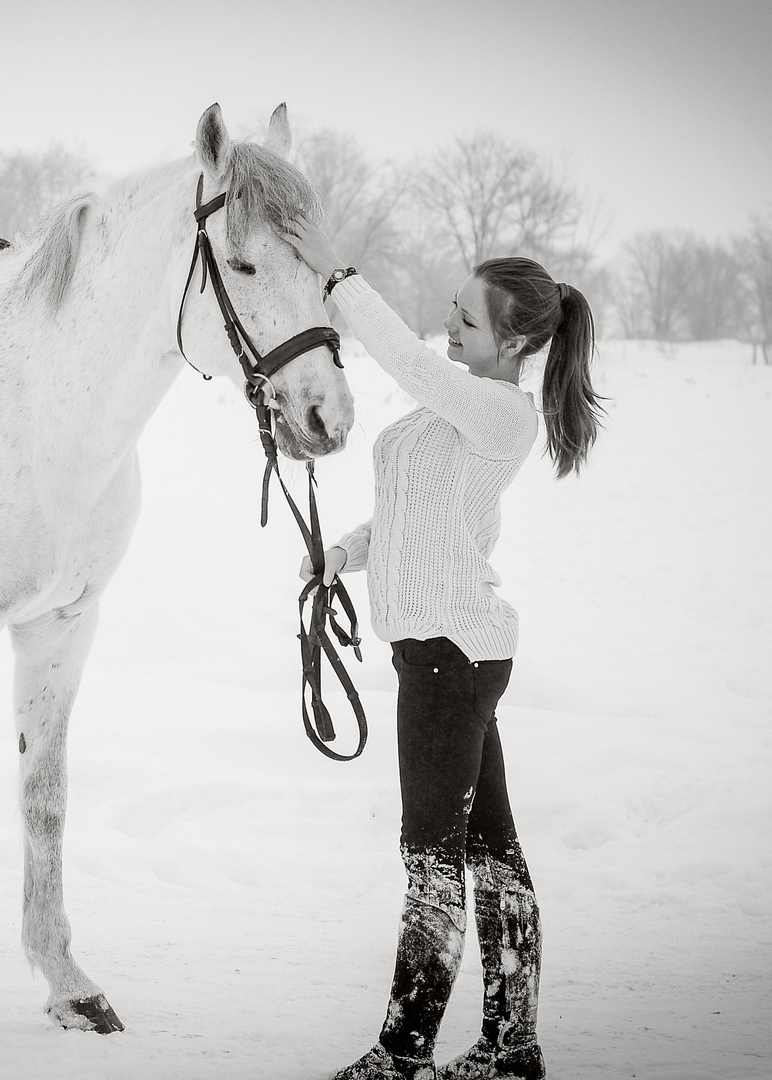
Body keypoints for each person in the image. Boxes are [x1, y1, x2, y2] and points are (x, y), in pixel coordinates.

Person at [281, 218, 604, 1080]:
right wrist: (343, 554)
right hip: (444, 654)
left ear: (517, 341)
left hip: (449, 658)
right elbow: (412, 522)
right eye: (453, 309)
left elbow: (412, 363)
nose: (448, 326)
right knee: (489, 852)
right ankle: (511, 1047)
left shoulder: (499, 413)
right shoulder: (454, 410)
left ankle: (403, 1052)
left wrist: (335, 279)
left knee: (431, 858)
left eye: (468, 319)